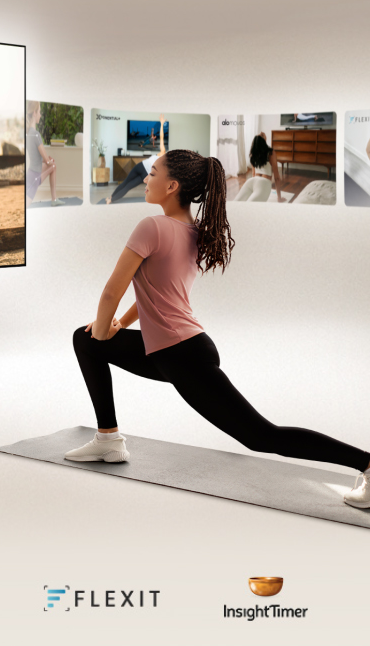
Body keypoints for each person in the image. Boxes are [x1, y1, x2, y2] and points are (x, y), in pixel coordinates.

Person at [66, 149, 370, 509]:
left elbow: (110, 293)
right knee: (83, 339)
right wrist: (118, 326)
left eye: (153, 173)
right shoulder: (192, 230)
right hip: (179, 348)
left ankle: (366, 462)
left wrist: (102, 332)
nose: (146, 178)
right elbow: (157, 292)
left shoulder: (151, 226)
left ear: (172, 185)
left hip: (180, 355)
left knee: (261, 436)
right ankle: (108, 439)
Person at [26, 102, 62, 205]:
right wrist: (50, 160)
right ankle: (54, 200)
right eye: (39, 112)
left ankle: (54, 200)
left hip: (31, 173)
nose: (40, 115)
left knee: (53, 166)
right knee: (26, 205)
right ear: (34, 113)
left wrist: (48, 160)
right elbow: (46, 160)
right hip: (35, 177)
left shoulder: (28, 134)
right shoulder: (36, 135)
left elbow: (37, 158)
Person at [235, 131, 285, 202]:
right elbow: (277, 178)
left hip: (251, 182)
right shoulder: (271, 153)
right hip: (263, 184)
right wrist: (279, 198)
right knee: (250, 206)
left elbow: (253, 174)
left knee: (236, 202)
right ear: (264, 141)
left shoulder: (253, 154)